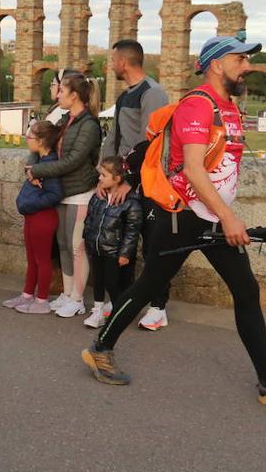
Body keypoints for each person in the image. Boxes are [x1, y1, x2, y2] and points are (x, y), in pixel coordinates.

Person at [83, 35, 266, 406]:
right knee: (149, 287)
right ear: (216, 64)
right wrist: (229, 217)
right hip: (180, 217)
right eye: (240, 60)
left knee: (246, 290)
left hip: (208, 215)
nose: (248, 66)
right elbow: (195, 171)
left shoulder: (228, 107)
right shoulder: (198, 106)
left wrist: (222, 213)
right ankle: (101, 347)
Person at [101, 39, 171, 331]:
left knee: (153, 246)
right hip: (123, 182)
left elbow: (152, 143)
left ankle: (158, 308)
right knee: (122, 245)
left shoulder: (152, 93)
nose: (110, 64)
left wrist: (129, 180)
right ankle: (124, 302)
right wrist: (102, 173)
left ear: (124, 61)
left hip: (147, 185)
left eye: (112, 59)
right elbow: (113, 138)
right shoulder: (125, 95)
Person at [29, 73, 101, 318]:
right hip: (63, 190)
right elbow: (43, 144)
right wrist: (33, 165)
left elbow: (73, 161)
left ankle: (78, 298)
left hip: (80, 191)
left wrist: (38, 170)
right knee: (62, 245)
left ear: (74, 95)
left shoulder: (89, 125)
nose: (57, 94)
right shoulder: (65, 119)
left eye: (61, 91)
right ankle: (68, 293)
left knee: (76, 246)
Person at [8, 120, 64, 311]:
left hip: (42, 218)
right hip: (33, 216)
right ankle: (27, 294)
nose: (27, 138)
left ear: (40, 141)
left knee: (42, 260)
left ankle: (42, 300)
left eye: (30, 135)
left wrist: (30, 204)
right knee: (32, 259)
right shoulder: (39, 161)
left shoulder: (49, 165)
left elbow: (55, 194)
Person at [81, 156, 142, 328]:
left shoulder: (130, 202)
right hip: (97, 247)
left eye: (104, 176)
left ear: (117, 179)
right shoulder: (98, 196)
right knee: (98, 281)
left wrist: (125, 253)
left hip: (114, 251)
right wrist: (88, 239)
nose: (99, 179)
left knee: (112, 282)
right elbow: (90, 218)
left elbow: (132, 231)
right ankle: (98, 310)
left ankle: (118, 313)